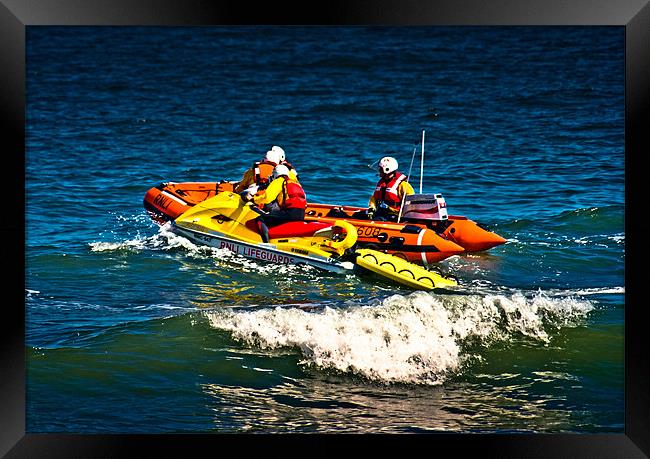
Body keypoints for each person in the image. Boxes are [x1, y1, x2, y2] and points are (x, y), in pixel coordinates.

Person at [245, 164, 307, 242]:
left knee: (261, 219)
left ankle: (266, 244)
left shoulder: (279, 180)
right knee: (276, 215)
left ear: (275, 174)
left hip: (289, 213)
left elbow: (267, 197)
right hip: (301, 215)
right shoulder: (296, 183)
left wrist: (253, 199)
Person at [366, 156, 415, 221]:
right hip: (381, 212)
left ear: (387, 169)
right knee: (358, 215)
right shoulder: (382, 183)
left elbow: (411, 202)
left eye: (380, 169)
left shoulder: (403, 185)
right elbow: (374, 198)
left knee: (378, 219)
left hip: (394, 215)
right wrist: (371, 208)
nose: (378, 170)